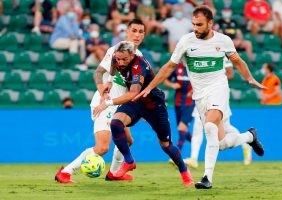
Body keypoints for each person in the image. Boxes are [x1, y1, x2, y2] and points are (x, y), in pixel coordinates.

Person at [134, 6, 266, 189]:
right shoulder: (186, 41)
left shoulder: (224, 40)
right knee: (220, 144)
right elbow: (169, 67)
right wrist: (150, 87)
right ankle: (249, 137)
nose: (195, 28)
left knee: (210, 127)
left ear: (210, 23)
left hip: (219, 89)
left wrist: (250, 78)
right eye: (194, 24)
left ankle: (207, 178)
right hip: (200, 96)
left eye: (199, 24)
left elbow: (237, 61)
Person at [55, 19, 146, 183]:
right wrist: (102, 93)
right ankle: (65, 172)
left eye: (140, 32)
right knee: (103, 147)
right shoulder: (116, 50)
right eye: (134, 30)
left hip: (119, 105)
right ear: (126, 32)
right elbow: (97, 73)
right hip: (106, 103)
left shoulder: (139, 56)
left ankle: (114, 173)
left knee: (127, 141)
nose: (137, 35)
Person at [93, 41, 194, 186]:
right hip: (136, 102)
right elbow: (113, 66)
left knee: (166, 144)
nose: (121, 62)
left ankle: (185, 172)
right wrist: (109, 80)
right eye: (118, 59)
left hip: (153, 105)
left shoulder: (139, 66)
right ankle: (129, 161)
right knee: (116, 123)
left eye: (124, 60)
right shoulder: (117, 59)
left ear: (132, 55)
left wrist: (106, 103)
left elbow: (133, 92)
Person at [184, 58, 253, 169]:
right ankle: (194, 158)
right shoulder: (200, 53)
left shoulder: (221, 54)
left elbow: (231, 74)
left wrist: (213, 83)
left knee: (225, 127)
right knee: (198, 125)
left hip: (219, 93)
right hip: (202, 94)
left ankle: (245, 142)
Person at [163, 64, 194, 152]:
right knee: (182, 130)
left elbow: (203, 82)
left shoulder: (194, 67)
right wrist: (173, 85)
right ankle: (196, 144)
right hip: (178, 103)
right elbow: (165, 80)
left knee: (181, 128)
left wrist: (193, 91)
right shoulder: (177, 68)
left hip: (191, 103)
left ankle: (177, 153)